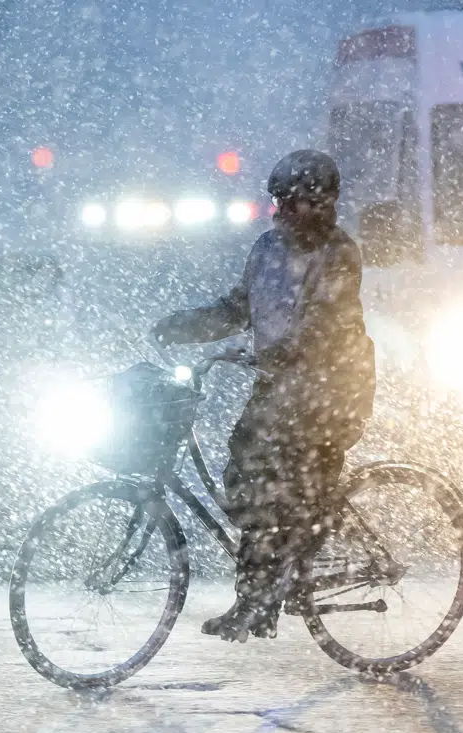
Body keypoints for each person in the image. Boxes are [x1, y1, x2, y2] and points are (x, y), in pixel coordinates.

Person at [151, 150, 376, 642]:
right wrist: (186, 327)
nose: (282, 213)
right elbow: (237, 307)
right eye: (277, 202)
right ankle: (267, 584)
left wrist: (284, 354)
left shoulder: (339, 253)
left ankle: (268, 589)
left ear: (321, 203)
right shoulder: (267, 251)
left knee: (281, 484)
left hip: (332, 389)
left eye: (292, 202)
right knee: (244, 474)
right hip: (280, 387)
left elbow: (325, 324)